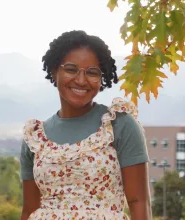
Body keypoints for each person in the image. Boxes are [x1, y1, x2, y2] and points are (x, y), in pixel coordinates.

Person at [20, 30, 152, 220]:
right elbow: (29, 210)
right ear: (54, 71)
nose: (81, 80)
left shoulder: (119, 125)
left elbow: (139, 203)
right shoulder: (35, 138)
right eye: (71, 69)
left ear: (102, 78)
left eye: (92, 73)